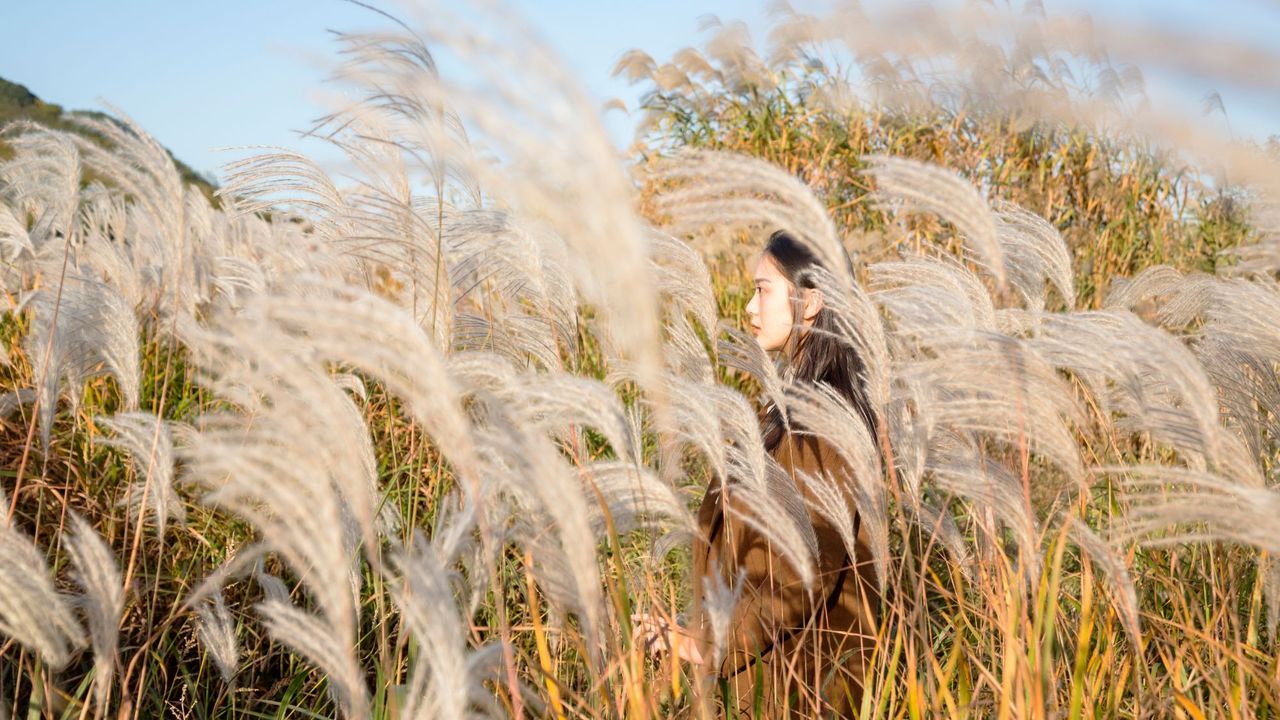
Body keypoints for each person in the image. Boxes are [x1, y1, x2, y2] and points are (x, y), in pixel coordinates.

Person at [635, 230, 881, 718]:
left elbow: (802, 567)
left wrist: (708, 643)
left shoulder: (824, 420)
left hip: (796, 688)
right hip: (767, 670)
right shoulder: (792, 407)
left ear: (810, 302)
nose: (749, 306)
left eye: (762, 289)